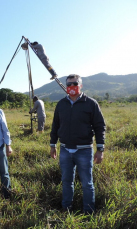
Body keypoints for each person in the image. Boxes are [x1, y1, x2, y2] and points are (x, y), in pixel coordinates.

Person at [50, 74, 106, 214]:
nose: (71, 87)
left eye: (74, 83)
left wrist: (100, 149)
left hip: (84, 150)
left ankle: (88, 211)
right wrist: (52, 145)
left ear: (80, 85)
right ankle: (66, 208)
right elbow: (55, 125)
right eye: (68, 84)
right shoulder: (61, 104)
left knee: (87, 183)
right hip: (65, 150)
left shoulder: (91, 103)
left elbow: (100, 126)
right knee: (67, 181)